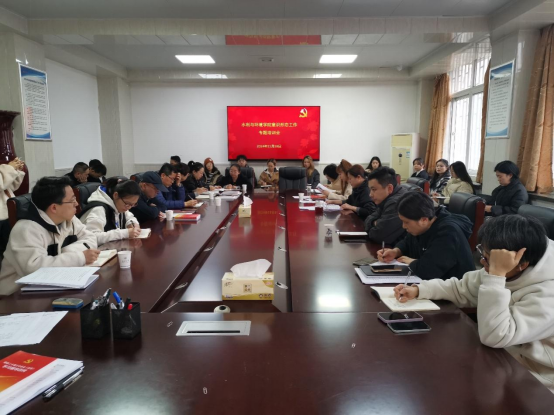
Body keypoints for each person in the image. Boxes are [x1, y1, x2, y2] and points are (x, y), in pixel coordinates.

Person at [394, 215, 554, 394]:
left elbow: (496, 336)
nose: (483, 263)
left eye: (487, 259)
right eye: (483, 255)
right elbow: (461, 288)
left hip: (536, 379)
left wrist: (496, 276)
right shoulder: (505, 267)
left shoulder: (548, 293)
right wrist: (420, 289)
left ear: (520, 263)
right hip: (501, 358)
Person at [0, 176, 99, 296]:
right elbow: (34, 270)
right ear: (54, 208)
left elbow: (91, 238)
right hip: (15, 295)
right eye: (72, 200)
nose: (77, 204)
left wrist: (67, 252)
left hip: (51, 286)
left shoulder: (69, 219)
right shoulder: (26, 229)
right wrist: (79, 257)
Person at [378, 191, 475, 280]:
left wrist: (412, 262)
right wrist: (395, 251)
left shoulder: (448, 232)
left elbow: (429, 270)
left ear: (424, 220)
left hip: (455, 289)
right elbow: (408, 241)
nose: (403, 226)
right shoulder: (424, 224)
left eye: (406, 222)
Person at [79, 177, 142, 245]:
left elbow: (128, 215)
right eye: (127, 203)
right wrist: (124, 233)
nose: (129, 208)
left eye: (133, 204)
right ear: (115, 195)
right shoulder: (98, 209)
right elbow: (91, 237)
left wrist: (132, 223)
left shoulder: (118, 203)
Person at [365, 167, 408, 245]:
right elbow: (369, 218)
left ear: (389, 188)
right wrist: (374, 223)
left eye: (374, 189)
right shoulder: (386, 198)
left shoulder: (396, 203)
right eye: (370, 190)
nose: (370, 194)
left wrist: (375, 223)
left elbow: (378, 236)